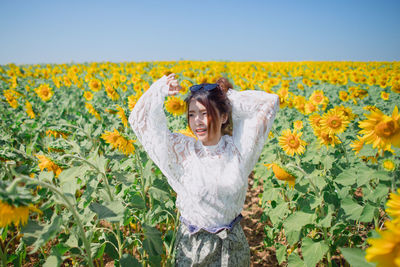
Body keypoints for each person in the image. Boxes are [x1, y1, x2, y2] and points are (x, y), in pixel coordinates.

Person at [129, 73, 279, 266]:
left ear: (224, 116)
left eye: (205, 113)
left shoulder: (238, 150)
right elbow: (141, 121)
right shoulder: (183, 151)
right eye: (192, 114)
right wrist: (159, 89)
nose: (197, 121)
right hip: (193, 248)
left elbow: (269, 103)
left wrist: (225, 96)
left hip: (232, 248)